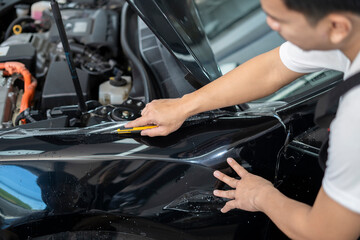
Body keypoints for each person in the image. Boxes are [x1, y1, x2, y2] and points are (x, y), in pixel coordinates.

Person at [125, 0, 360, 238]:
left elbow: (326, 234)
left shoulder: (355, 119)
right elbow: (274, 68)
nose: (271, 25)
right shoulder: (348, 31)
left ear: (337, 27)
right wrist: (183, 106)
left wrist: (260, 196)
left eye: (281, 20)